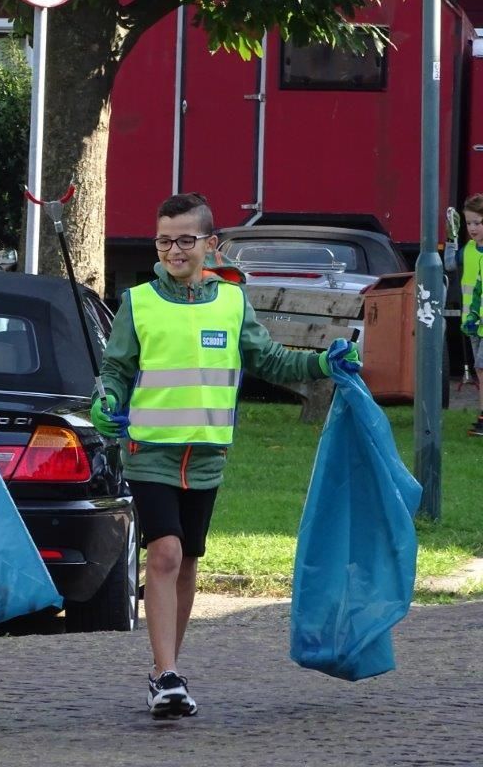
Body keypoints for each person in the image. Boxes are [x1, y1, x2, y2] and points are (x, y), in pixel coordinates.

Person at [89, 192, 361, 720]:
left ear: (210, 244)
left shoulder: (233, 302)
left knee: (188, 559)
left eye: (185, 240)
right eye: (164, 241)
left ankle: (164, 672)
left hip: (207, 455)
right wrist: (106, 401)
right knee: (164, 553)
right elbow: (116, 371)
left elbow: (270, 361)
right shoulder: (138, 302)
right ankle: (168, 673)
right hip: (149, 450)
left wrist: (322, 365)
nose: (174, 251)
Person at [458, 194, 483, 435]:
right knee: (479, 370)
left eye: (478, 222)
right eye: (469, 223)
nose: (473, 228)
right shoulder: (468, 250)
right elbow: (451, 264)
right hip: (472, 323)